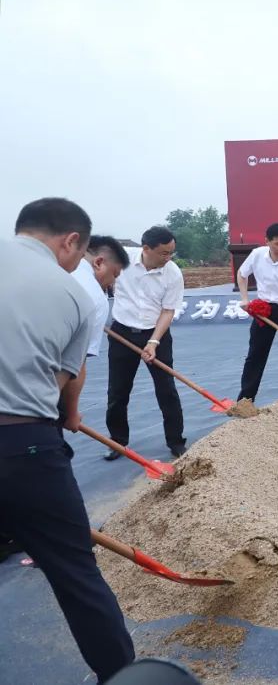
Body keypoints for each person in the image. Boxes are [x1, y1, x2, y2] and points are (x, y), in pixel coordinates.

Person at [0, 198, 135, 682]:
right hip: (25, 444)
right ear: (71, 240)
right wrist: (70, 416)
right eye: (79, 255)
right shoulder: (78, 296)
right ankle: (121, 676)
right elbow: (66, 379)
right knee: (77, 575)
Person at [105, 226, 186, 459]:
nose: (168, 258)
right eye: (163, 253)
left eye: (171, 252)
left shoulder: (173, 273)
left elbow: (168, 311)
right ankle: (118, 442)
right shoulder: (121, 258)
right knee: (118, 391)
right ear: (146, 249)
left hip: (156, 332)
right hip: (122, 333)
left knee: (167, 390)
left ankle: (176, 441)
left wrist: (153, 342)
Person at [236, 223, 278, 401]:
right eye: (277, 244)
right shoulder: (257, 255)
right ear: (267, 241)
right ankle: (246, 399)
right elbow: (242, 274)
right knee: (255, 354)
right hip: (263, 309)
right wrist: (244, 298)